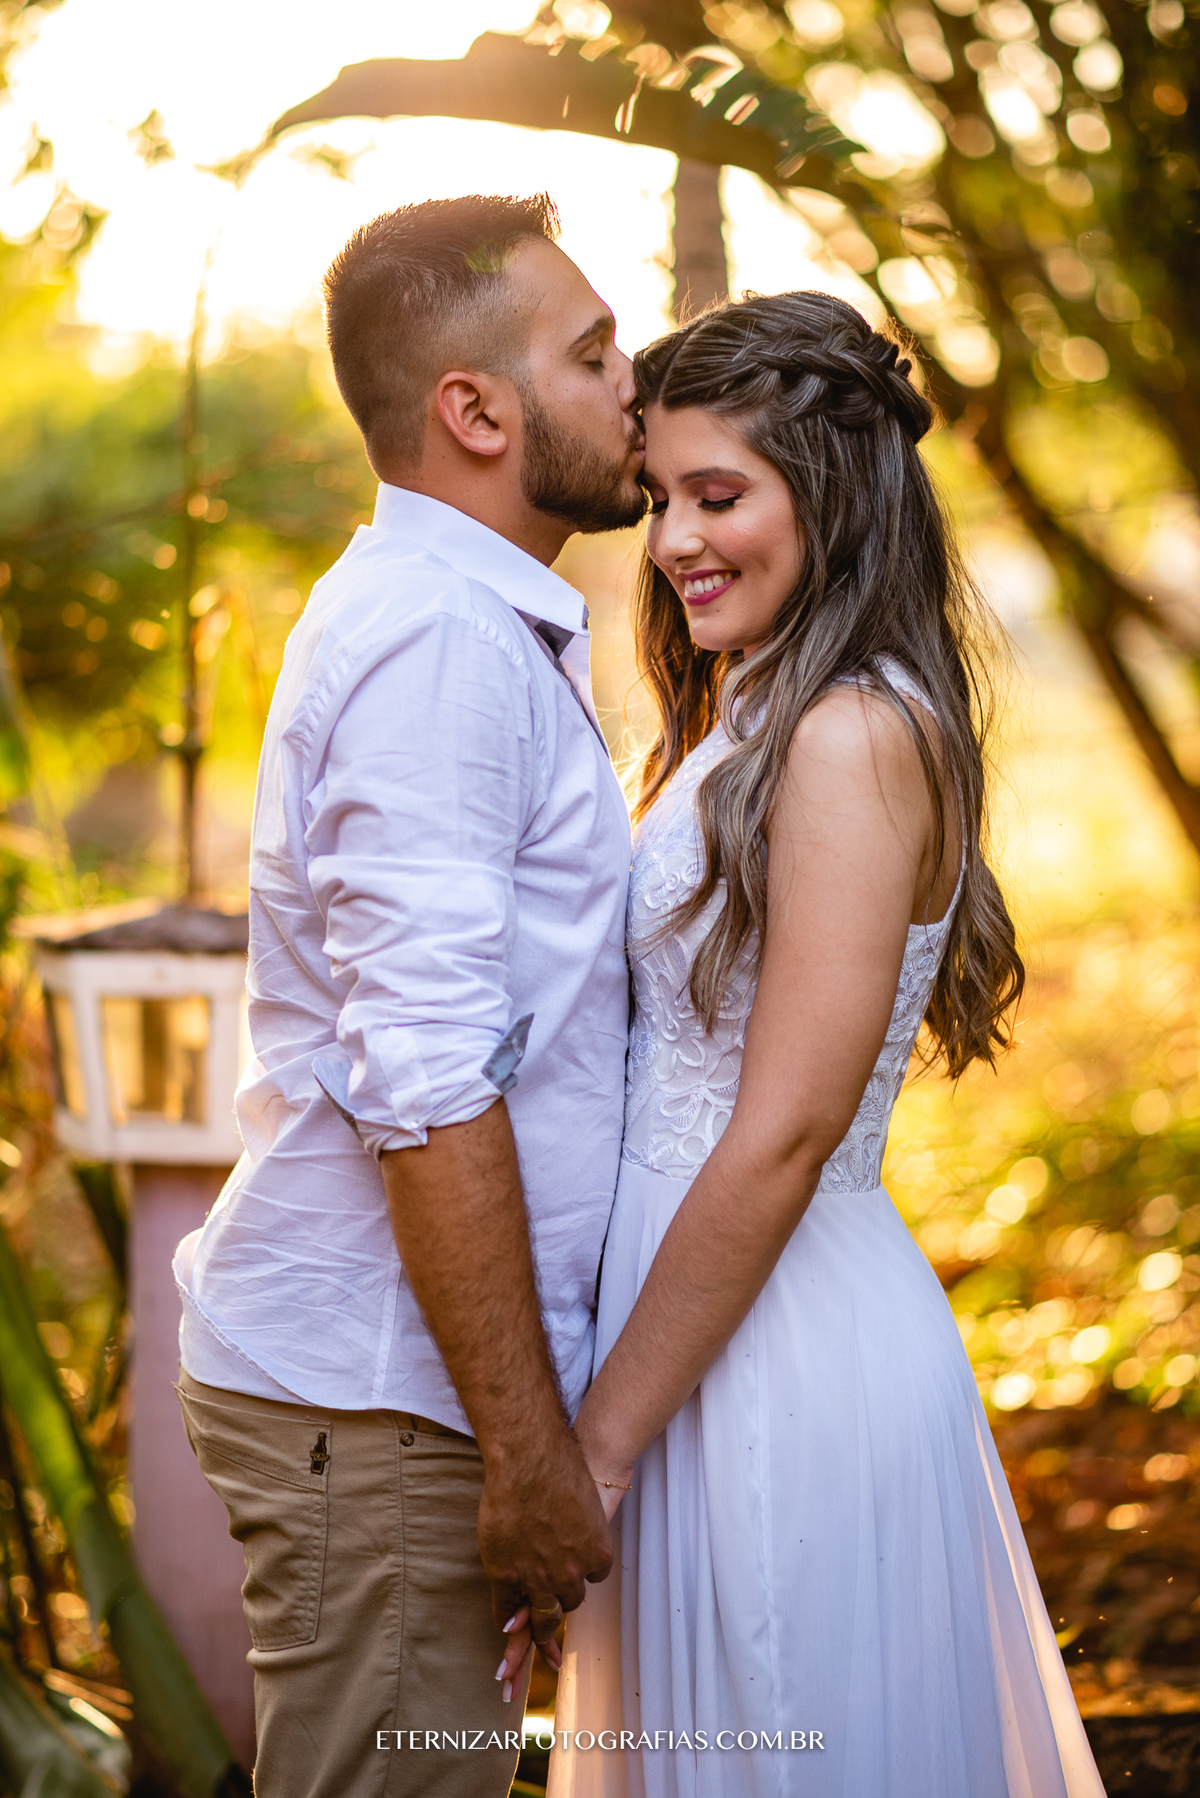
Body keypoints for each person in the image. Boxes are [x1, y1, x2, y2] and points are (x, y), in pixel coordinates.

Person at [548, 292, 1106, 1798]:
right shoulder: (748, 712)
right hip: (691, 1332)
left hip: (771, 1351)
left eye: (720, 495)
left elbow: (785, 1128)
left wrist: (595, 1449)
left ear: (836, 493)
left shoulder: (854, 732)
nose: (672, 541)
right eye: (661, 497)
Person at [172, 192, 646, 1798]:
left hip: (408, 1396)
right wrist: (526, 1453)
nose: (633, 379)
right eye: (594, 352)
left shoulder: (482, 626)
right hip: (381, 1407)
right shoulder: (438, 646)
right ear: (476, 410)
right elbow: (427, 1078)